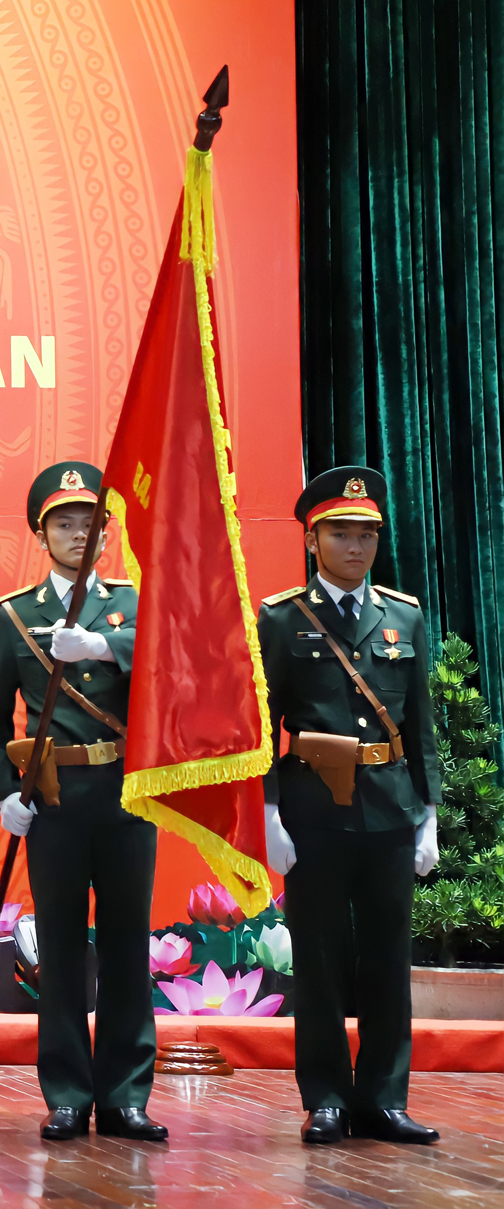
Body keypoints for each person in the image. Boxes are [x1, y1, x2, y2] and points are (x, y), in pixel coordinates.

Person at [0, 462, 165, 1142]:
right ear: (41, 533)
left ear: (106, 534)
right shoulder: (15, 615)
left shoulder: (137, 605)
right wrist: (5, 796)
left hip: (127, 796)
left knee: (125, 946)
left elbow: (169, 665)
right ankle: (65, 1092)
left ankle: (125, 1095)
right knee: (57, 946)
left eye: (88, 522)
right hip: (52, 799)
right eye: (64, 523)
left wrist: (104, 646)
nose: (77, 533)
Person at [260, 466, 442, 1146]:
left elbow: (420, 725)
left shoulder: (405, 615)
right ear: (313, 541)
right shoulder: (282, 618)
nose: (356, 547)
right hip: (312, 810)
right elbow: (262, 724)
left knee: (389, 960)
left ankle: (385, 1099)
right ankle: (328, 1097)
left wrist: (430, 815)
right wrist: (271, 812)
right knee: (319, 958)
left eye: (366, 534)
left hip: (391, 809)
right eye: (341, 533)